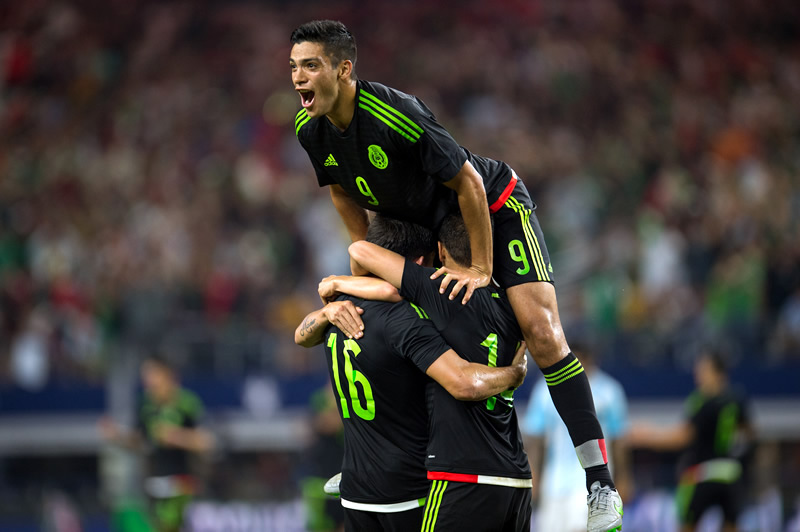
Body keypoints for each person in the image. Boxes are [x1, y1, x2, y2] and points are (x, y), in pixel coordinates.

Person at [289, 20, 621, 531]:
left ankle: (599, 484)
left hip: (492, 203)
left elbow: (466, 179)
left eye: (310, 65)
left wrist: (481, 269)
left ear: (343, 69)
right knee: (379, 327)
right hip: (419, 223)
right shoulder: (308, 131)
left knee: (542, 332)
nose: (298, 77)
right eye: (293, 66)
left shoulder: (396, 114)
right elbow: (340, 190)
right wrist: (359, 268)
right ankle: (368, 464)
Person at [294, 218, 527, 532]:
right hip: (407, 490)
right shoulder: (408, 320)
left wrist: (327, 300)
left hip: (357, 487)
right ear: (420, 262)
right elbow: (462, 382)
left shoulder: (337, 311)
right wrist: (513, 374)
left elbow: (301, 336)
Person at [628, 349, 755, 532]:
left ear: (717, 373)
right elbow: (749, 434)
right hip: (730, 474)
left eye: (703, 370)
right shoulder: (737, 399)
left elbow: (683, 437)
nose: (698, 376)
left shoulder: (702, 401)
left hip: (701, 474)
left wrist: (647, 436)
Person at [521, 339, 632, 532]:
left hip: (592, 484)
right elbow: (536, 440)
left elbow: (619, 440)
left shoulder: (609, 391)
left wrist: (623, 477)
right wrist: (534, 477)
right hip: (554, 482)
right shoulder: (544, 391)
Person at [100, 355, 214, 532]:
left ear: (167, 375)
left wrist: (175, 436)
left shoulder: (186, 403)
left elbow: (205, 442)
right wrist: (118, 437)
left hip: (181, 482)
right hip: (153, 483)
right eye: (145, 376)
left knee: (166, 526)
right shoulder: (146, 406)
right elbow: (140, 442)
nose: (148, 381)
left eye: (152, 375)